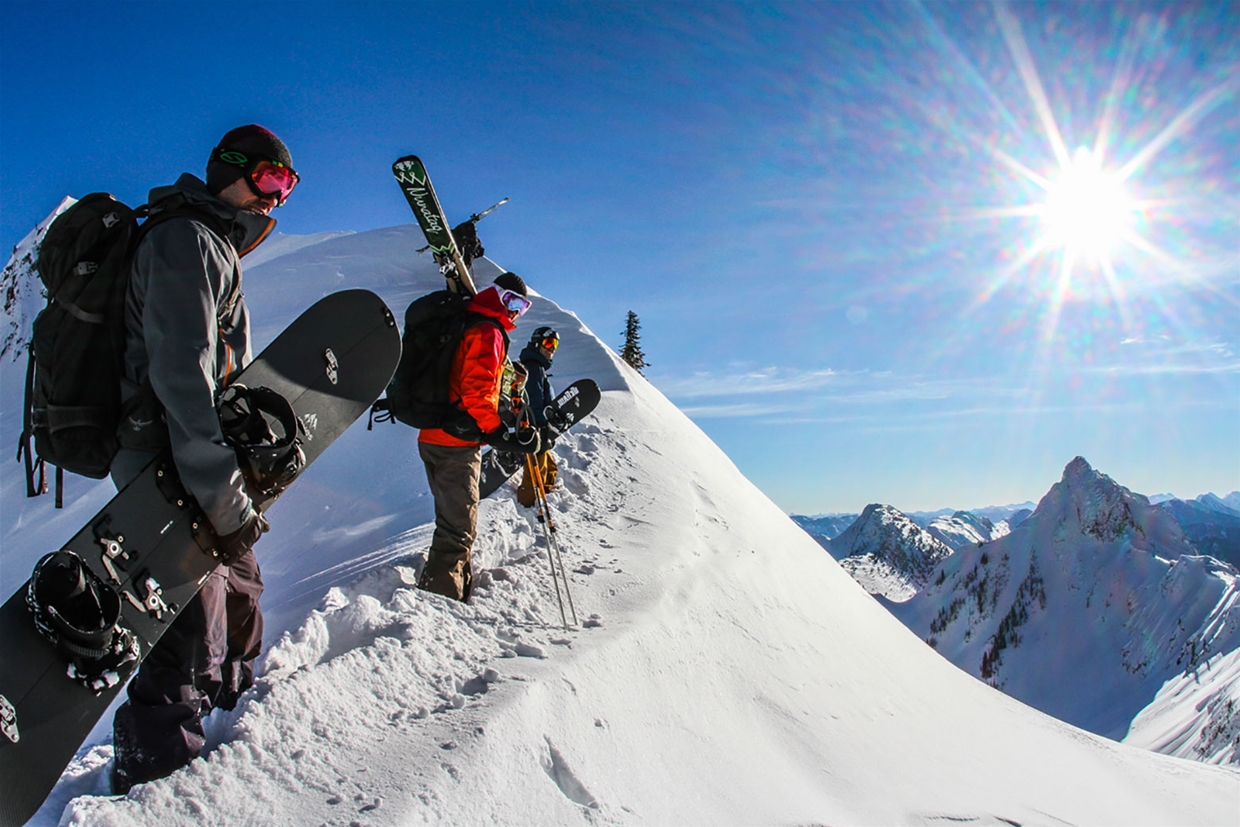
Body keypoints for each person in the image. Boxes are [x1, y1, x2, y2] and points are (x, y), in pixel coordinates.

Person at [108, 124, 299, 793]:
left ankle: (234, 720)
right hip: (166, 466)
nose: (278, 199)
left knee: (241, 592)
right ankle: (157, 783)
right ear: (230, 172)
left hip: (197, 461)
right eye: (271, 179)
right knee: (186, 630)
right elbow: (183, 385)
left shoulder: (210, 243)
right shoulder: (186, 241)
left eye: (289, 187)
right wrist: (224, 498)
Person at [417, 272, 540, 601]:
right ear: (497, 295)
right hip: (454, 444)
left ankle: (451, 588)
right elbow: (477, 392)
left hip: (435, 436)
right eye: (513, 301)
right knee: (458, 530)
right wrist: (499, 433)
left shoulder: (470, 320)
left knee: (453, 521)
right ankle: (438, 603)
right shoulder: (488, 330)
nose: (516, 311)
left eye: (523, 307)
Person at [517, 327, 561, 508]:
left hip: (540, 425)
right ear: (536, 344)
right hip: (535, 426)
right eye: (548, 343)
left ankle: (546, 495)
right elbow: (533, 398)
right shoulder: (533, 368)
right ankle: (528, 502)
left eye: (555, 344)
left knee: (549, 466)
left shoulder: (538, 368)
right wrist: (540, 425)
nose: (551, 348)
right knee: (537, 467)